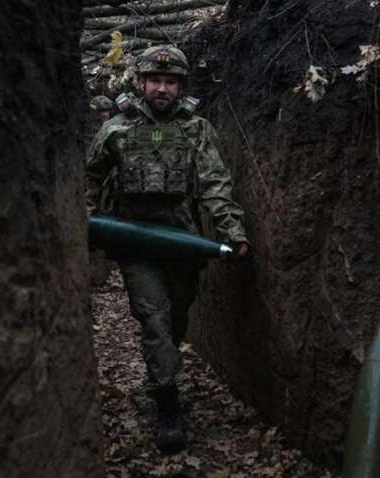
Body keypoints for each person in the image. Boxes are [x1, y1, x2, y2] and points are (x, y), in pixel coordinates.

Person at [84, 45, 249, 453]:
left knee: (175, 319)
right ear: (141, 83)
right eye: (155, 80)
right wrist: (84, 224)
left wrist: (233, 231)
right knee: (154, 319)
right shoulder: (116, 130)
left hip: (183, 242)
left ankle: (161, 375)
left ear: (180, 87)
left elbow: (215, 184)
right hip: (134, 242)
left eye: (170, 81)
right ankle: (168, 407)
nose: (162, 88)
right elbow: (90, 178)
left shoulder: (197, 130)